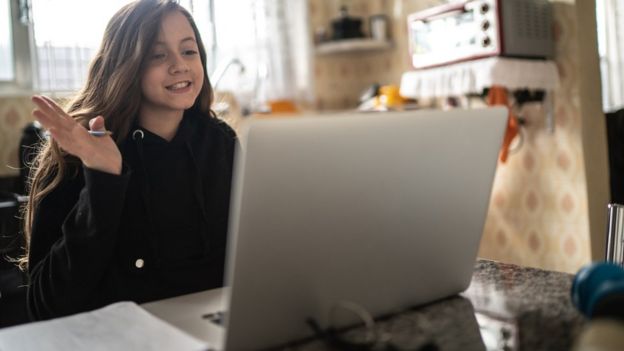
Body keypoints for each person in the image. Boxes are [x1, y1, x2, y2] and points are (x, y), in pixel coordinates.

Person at [21, 0, 236, 320]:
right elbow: (45, 306)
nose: (179, 65)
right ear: (126, 65)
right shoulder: (78, 154)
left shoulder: (221, 142)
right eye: (158, 55)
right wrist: (105, 179)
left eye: (188, 51)